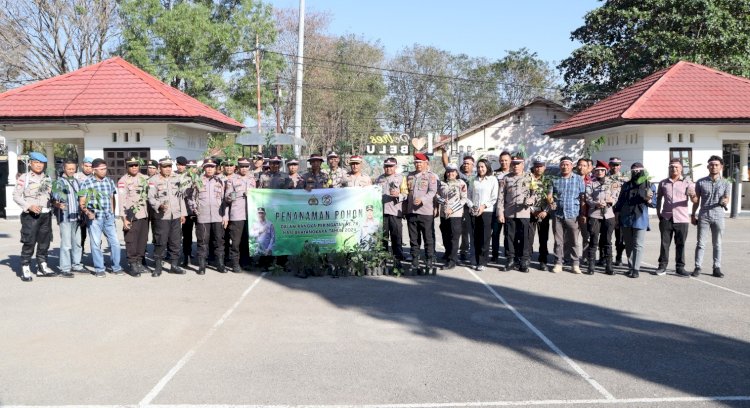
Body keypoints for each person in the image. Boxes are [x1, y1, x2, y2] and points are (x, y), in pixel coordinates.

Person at [79, 158, 123, 277]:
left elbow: (111, 198)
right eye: (101, 169)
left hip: (108, 217)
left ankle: (116, 267)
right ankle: (99, 269)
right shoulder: (86, 183)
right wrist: (87, 212)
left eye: (105, 169)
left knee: (115, 243)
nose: (104, 171)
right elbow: (82, 201)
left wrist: (113, 213)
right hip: (95, 218)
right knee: (96, 244)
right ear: (94, 170)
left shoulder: (109, 181)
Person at [14, 152, 54, 281]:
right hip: (30, 216)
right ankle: (25, 266)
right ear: (30, 163)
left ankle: (42, 266)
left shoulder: (47, 178)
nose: (39, 165)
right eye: (36, 162)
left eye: (41, 163)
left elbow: (50, 196)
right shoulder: (24, 178)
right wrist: (29, 206)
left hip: (46, 215)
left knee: (44, 242)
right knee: (29, 242)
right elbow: (16, 196)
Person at [688, 155, 731, 278]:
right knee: (701, 243)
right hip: (704, 216)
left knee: (717, 243)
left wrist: (724, 201)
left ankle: (716, 267)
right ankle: (698, 267)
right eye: (712, 164)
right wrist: (692, 213)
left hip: (719, 215)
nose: (714, 167)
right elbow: (696, 200)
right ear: (708, 166)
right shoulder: (701, 182)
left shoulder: (726, 182)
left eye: (717, 165)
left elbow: (727, 197)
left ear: (721, 167)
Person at [614, 162, 657, 278]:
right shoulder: (626, 185)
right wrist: (617, 217)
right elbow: (620, 201)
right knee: (628, 244)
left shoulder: (649, 185)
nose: (636, 173)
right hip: (626, 218)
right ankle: (631, 267)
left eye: (638, 171)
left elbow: (654, 204)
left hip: (640, 219)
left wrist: (648, 200)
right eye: (634, 171)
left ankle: (636, 269)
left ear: (643, 171)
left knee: (638, 245)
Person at [496, 153, 536, 272]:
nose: (515, 166)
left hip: (524, 213)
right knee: (509, 237)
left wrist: (531, 200)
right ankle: (510, 260)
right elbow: (501, 197)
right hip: (509, 213)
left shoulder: (530, 177)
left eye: (518, 164)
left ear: (523, 164)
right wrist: (500, 213)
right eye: (513, 164)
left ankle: (523, 261)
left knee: (524, 238)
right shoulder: (506, 178)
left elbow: (535, 194)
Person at [187, 158, 227, 275]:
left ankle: (220, 264)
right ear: (204, 168)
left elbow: (225, 199)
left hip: (218, 216)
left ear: (216, 168)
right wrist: (195, 209)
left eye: (212, 167)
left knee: (219, 241)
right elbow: (191, 197)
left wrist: (225, 215)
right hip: (203, 217)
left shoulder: (221, 181)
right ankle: (202, 266)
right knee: (202, 241)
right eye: (207, 166)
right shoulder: (198, 181)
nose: (210, 169)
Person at [149, 157, 187, 277]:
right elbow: (151, 197)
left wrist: (183, 213)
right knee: (161, 241)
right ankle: (158, 267)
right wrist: (159, 205)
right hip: (162, 216)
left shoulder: (176, 178)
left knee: (175, 241)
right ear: (160, 167)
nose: (168, 169)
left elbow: (181, 197)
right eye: (165, 166)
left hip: (175, 215)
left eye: (170, 166)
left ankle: (174, 265)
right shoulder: (153, 180)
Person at [655, 159, 694, 276]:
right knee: (664, 243)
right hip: (666, 217)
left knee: (681, 244)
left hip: (682, 218)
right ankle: (662, 266)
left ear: (681, 169)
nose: (674, 169)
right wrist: (658, 212)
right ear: (669, 169)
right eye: (671, 167)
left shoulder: (688, 183)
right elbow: (658, 199)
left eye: (676, 167)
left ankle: (680, 267)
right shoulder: (663, 183)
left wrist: (693, 195)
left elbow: (695, 199)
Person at [549, 156, 586, 274]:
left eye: (567, 165)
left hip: (573, 214)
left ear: (571, 166)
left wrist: (582, 213)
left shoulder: (578, 179)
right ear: (560, 166)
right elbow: (549, 195)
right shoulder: (554, 179)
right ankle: (558, 263)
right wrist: (551, 202)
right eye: (563, 164)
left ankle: (575, 264)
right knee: (558, 241)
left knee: (574, 241)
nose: (565, 167)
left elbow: (582, 197)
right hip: (558, 214)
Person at [405, 152, 438, 273]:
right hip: (411, 211)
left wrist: (422, 200)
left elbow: (432, 192)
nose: (418, 164)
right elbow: (407, 192)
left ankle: (429, 259)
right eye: (416, 162)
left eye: (420, 162)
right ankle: (415, 258)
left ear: (426, 163)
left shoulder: (431, 176)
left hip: (425, 212)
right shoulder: (410, 176)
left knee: (428, 237)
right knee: (413, 238)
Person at [584, 160, 619, 275]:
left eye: (602, 170)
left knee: (607, 241)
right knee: (593, 241)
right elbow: (588, 198)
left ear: (605, 171)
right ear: (594, 171)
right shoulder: (591, 183)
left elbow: (615, 196)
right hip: (595, 214)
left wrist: (611, 201)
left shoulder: (612, 182)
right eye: (597, 170)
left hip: (608, 215)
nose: (599, 172)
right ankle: (591, 266)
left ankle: (609, 266)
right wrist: (595, 203)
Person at [118, 156, 150, 277]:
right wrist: (124, 218)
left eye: (136, 165)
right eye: (131, 165)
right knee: (131, 240)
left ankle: (139, 262)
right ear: (127, 167)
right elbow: (121, 201)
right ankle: (132, 264)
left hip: (144, 215)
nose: (134, 167)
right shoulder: (123, 181)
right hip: (131, 216)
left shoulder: (145, 179)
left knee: (142, 240)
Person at [52, 159, 84, 278]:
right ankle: (65, 268)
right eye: (69, 169)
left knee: (77, 243)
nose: (71, 171)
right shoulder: (59, 182)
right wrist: (59, 201)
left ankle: (77, 265)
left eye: (73, 169)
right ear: (64, 169)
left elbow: (80, 196)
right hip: (65, 217)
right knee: (66, 244)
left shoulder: (77, 181)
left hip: (76, 217)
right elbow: (55, 197)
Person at [225, 157, 256, 272]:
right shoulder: (232, 180)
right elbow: (228, 197)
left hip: (250, 214)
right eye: (242, 166)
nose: (244, 169)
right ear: (238, 167)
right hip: (237, 214)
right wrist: (239, 194)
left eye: (246, 166)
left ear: (249, 167)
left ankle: (245, 262)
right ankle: (235, 263)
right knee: (236, 241)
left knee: (247, 240)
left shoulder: (252, 179)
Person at [375, 157, 407, 264]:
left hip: (395, 211)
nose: (388, 169)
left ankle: (397, 258)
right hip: (382, 212)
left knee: (396, 236)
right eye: (386, 166)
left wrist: (399, 195)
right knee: (383, 237)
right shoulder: (379, 179)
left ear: (395, 167)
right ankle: (382, 259)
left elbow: (406, 194)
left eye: (391, 166)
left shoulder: (401, 178)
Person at [468, 158, 498, 271]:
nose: (480, 169)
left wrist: (483, 206)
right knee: (476, 237)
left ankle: (483, 261)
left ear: (487, 167)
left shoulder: (492, 179)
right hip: (475, 212)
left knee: (485, 238)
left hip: (487, 212)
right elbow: (469, 196)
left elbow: (494, 197)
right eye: (479, 167)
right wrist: (472, 206)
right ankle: (475, 259)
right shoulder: (473, 180)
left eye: (482, 167)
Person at [437, 163, 467, 270]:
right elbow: (436, 196)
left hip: (456, 214)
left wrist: (452, 209)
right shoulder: (441, 183)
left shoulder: (461, 183)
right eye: (449, 171)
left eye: (453, 171)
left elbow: (464, 199)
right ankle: (448, 253)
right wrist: (441, 200)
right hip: (444, 213)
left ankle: (452, 260)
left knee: (454, 237)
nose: (451, 173)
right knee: (445, 235)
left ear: (456, 173)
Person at [528, 158, 552, 271]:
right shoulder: (528, 179)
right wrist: (533, 210)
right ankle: (527, 258)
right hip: (531, 212)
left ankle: (543, 260)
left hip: (543, 213)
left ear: (544, 167)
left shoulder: (548, 180)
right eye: (537, 166)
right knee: (529, 238)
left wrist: (545, 211)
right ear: (534, 167)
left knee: (543, 238)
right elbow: (525, 196)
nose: (538, 168)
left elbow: (550, 197)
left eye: (541, 166)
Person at [604, 157, 626, 266]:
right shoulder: (604, 177)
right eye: (613, 164)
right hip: (607, 209)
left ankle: (619, 257)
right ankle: (604, 257)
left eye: (617, 165)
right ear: (609, 165)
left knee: (620, 236)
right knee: (605, 234)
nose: (615, 167)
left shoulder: (625, 178)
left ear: (620, 166)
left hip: (620, 210)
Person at [491, 151, 511, 263]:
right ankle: (494, 254)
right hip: (496, 209)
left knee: (508, 234)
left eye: (506, 160)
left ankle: (509, 256)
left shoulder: (514, 173)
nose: (504, 162)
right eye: (502, 160)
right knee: (495, 233)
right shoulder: (494, 174)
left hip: (509, 209)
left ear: (510, 161)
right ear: (499, 161)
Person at [180, 160, 199, 267]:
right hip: (187, 211)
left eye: (194, 167)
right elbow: (181, 194)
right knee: (186, 236)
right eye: (189, 167)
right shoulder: (182, 179)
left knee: (201, 235)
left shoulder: (200, 178)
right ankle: (186, 257)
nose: (191, 169)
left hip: (198, 212)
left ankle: (201, 258)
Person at [576, 158, 593, 265]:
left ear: (588, 168)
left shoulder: (591, 182)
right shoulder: (571, 179)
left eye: (584, 165)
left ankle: (585, 257)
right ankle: (568, 256)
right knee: (570, 237)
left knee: (586, 237)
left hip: (586, 213)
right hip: (572, 212)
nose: (581, 167)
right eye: (579, 165)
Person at [75, 156, 94, 250]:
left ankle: (96, 255)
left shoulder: (95, 177)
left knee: (95, 234)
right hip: (80, 209)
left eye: (90, 166)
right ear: (82, 165)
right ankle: (80, 252)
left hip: (92, 209)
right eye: (86, 166)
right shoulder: (76, 176)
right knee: (81, 233)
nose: (88, 168)